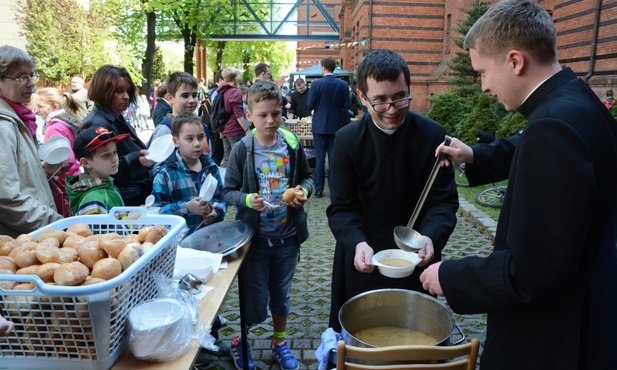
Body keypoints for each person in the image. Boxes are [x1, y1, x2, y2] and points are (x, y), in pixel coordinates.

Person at [419, 1, 617, 369]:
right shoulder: (575, 100)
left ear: (514, 61)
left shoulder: (552, 128)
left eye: (483, 72)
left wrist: (449, 276)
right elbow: (536, 147)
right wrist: (477, 156)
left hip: (556, 337)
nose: (483, 87)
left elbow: (532, 271)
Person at [326, 49, 458, 333]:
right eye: (380, 100)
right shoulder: (346, 141)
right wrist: (356, 242)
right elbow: (341, 207)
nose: (393, 108)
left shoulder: (433, 135)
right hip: (363, 255)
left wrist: (432, 237)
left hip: (416, 256)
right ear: (362, 97)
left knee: (415, 338)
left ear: (409, 88)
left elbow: (443, 202)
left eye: (400, 96)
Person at [222, 79, 314, 370]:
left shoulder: (291, 143)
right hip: (255, 241)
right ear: (249, 116)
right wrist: (247, 201)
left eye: (275, 113)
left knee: (281, 295)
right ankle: (242, 340)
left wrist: (304, 193)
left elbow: (308, 177)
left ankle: (280, 342)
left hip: (287, 239)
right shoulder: (242, 149)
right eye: (262, 115)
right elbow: (228, 191)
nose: (271, 120)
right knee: (255, 298)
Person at [0, 45, 63, 237]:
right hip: (16, 243)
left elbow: (17, 178)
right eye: (21, 77)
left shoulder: (19, 118)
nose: (31, 84)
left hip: (28, 237)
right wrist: (56, 223)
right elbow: (6, 198)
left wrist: (44, 170)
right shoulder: (3, 127)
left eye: (31, 75)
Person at [80, 64, 155, 207]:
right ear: (104, 91)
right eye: (119, 91)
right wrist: (136, 160)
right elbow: (100, 169)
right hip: (123, 202)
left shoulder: (116, 117)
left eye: (128, 90)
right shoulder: (96, 124)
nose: (126, 96)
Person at [307, 57, 352, 198]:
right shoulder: (343, 85)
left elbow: (310, 104)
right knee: (333, 158)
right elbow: (347, 105)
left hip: (319, 125)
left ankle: (319, 189)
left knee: (319, 157)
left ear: (324, 67)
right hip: (335, 125)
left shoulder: (316, 84)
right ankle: (334, 188)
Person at [34, 87, 83, 216]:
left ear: (54, 107)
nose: (38, 110)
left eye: (41, 106)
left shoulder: (54, 128)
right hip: (75, 178)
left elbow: (67, 159)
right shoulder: (66, 123)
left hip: (64, 182)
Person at [66, 127, 129, 215]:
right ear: (86, 162)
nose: (114, 159)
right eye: (106, 155)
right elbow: (94, 229)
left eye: (115, 152)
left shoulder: (106, 183)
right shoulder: (93, 200)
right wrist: (130, 220)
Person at [217, 67, 249, 167]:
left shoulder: (221, 92)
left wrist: (220, 130)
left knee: (227, 157)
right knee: (238, 157)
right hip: (235, 130)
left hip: (224, 130)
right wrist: (246, 129)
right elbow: (238, 114)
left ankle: (225, 179)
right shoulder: (235, 92)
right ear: (235, 78)